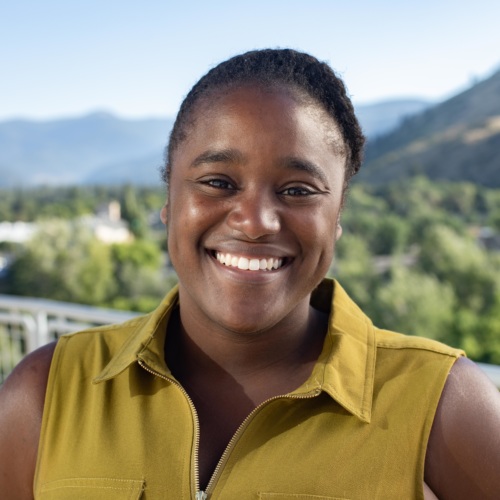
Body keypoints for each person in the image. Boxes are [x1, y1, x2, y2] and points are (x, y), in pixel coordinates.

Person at [1, 49, 499, 500]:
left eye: (299, 190)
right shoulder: (46, 393)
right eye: (218, 182)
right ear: (169, 203)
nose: (256, 221)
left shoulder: (440, 403)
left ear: (338, 216)